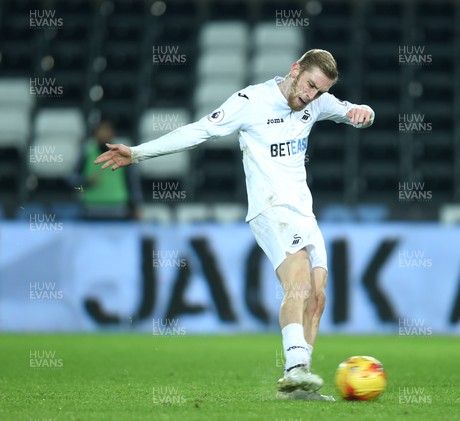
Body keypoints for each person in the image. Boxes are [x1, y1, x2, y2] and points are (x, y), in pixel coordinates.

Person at [94, 49, 374, 401]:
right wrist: (137, 153)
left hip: (303, 211)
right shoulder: (251, 101)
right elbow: (198, 132)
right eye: (309, 85)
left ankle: (298, 386)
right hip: (270, 209)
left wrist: (364, 113)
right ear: (295, 69)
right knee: (299, 283)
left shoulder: (317, 103)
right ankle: (295, 370)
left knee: (317, 298)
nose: (311, 96)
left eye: (319, 91)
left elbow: (353, 111)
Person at [73, 120, 141, 220]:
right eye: (101, 130)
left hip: (119, 209)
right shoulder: (86, 151)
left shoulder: (123, 152)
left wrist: (135, 207)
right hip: (90, 209)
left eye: (107, 130)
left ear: (113, 133)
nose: (104, 133)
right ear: (95, 132)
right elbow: (72, 180)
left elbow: (132, 182)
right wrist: (85, 182)